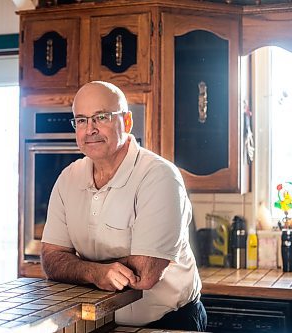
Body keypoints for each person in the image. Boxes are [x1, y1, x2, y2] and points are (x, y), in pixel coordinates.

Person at [40, 81, 207, 331]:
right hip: (100, 324)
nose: (90, 129)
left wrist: (77, 265)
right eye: (82, 120)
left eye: (101, 117)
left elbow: (145, 272)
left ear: (127, 122)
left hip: (166, 322)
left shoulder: (158, 176)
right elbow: (51, 260)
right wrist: (96, 272)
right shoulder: (68, 178)